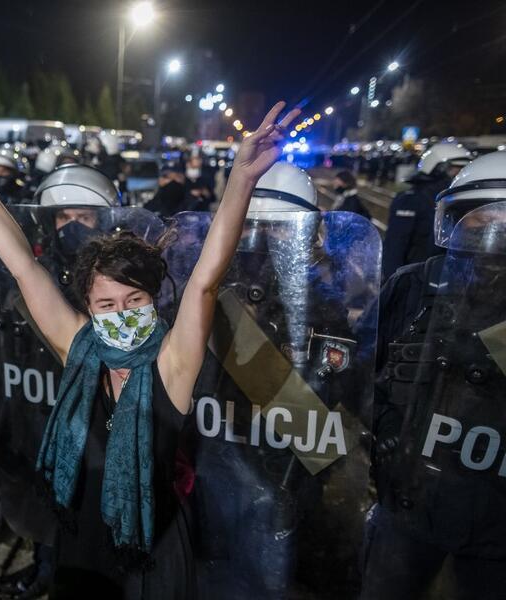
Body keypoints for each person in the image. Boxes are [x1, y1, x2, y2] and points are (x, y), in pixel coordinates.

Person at [0, 101, 300, 599]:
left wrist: (241, 182)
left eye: (134, 299)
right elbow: (23, 267)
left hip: (153, 546)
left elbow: (205, 282)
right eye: (107, 303)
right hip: (80, 540)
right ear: (88, 309)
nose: (121, 313)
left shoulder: (172, 364)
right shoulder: (79, 348)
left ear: (152, 301)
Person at [182, 161, 377, 599]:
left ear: (308, 235)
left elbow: (330, 404)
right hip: (212, 455)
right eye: (257, 227)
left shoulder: (322, 306)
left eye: (282, 229)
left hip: (277, 474)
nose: (267, 242)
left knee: (263, 580)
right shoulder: (205, 292)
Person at [361, 151, 506, 599]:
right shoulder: (416, 285)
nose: (488, 245)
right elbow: (361, 368)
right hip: (410, 501)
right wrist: (382, 426)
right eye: (476, 228)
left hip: (495, 521)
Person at [0, 164, 124, 599]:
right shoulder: (35, 273)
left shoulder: (122, 282)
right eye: (63, 219)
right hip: (36, 407)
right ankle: (44, 570)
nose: (71, 229)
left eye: (82, 217)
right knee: (39, 499)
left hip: (93, 423)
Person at [382, 142, 471, 279]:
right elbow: (395, 247)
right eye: (456, 169)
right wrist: (394, 283)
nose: (460, 175)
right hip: (417, 279)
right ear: (438, 168)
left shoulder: (458, 200)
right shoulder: (411, 200)